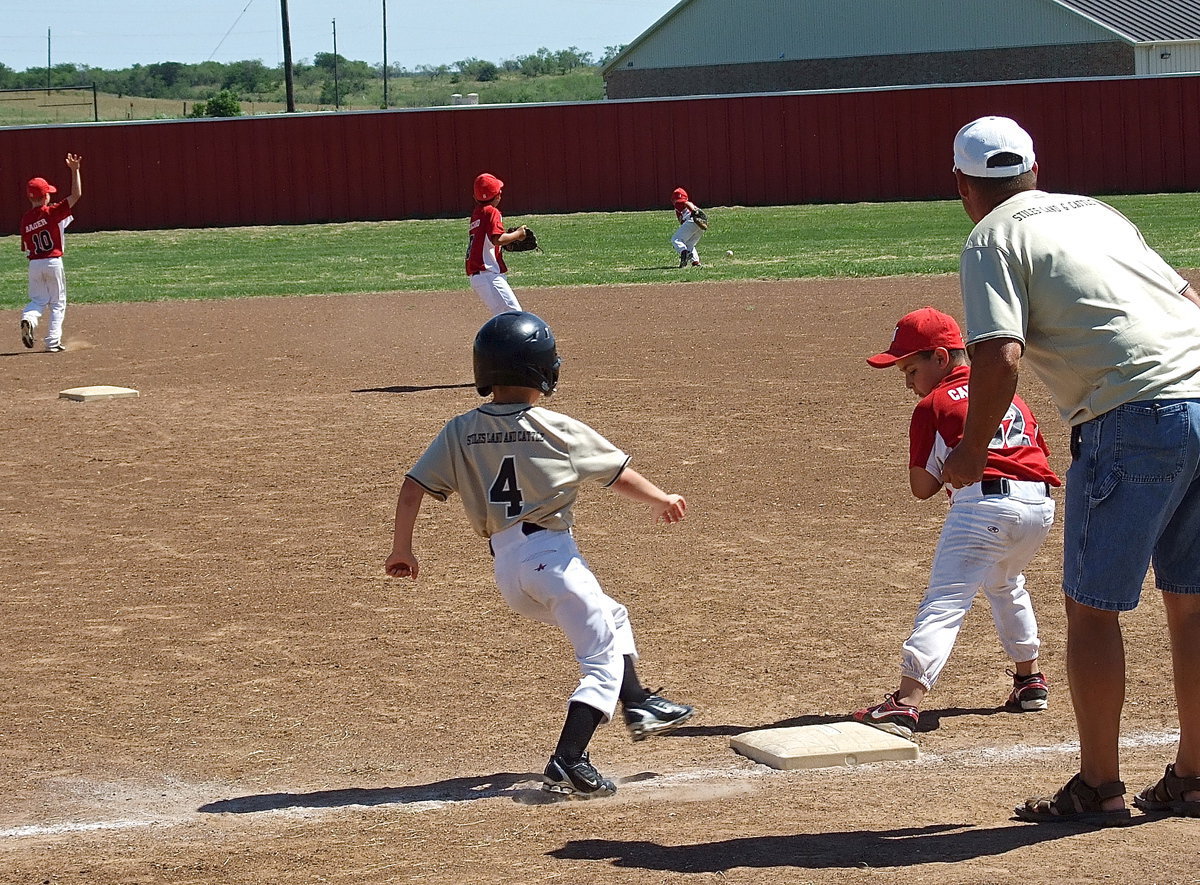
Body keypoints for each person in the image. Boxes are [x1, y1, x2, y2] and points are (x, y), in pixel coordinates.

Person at [942, 115, 1200, 825]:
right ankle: (1195, 774)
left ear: (962, 184)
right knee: (1193, 599)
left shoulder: (990, 236)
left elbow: (998, 355)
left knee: (1093, 609)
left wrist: (970, 450)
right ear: (1033, 168)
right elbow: (1187, 300)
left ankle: (1099, 784)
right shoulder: (1099, 212)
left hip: (1129, 415)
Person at [384, 310, 695, 799]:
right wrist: (660, 499)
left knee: (613, 616)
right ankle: (569, 758)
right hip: (552, 558)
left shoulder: (460, 430)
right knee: (599, 661)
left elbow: (411, 489)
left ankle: (638, 702)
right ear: (542, 370)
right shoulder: (556, 427)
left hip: (508, 569)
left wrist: (403, 548)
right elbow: (616, 474)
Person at [852, 307, 1059, 740]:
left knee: (946, 599)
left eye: (911, 369)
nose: (907, 381)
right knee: (1006, 583)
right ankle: (1029, 680)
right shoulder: (1010, 397)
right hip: (1038, 508)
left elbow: (921, 487)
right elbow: (1038, 452)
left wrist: (946, 467)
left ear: (942, 358)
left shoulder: (933, 404)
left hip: (984, 507)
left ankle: (906, 701)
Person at [20, 153, 82, 353]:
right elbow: (76, 195)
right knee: (57, 303)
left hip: (34, 264)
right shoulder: (52, 212)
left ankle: (29, 318)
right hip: (53, 261)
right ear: (46, 196)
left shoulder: (26, 220)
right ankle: (52, 341)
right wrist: (75, 170)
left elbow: (26, 247)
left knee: (37, 300)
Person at [466, 173, 529, 316]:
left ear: (475, 197)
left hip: (480, 275)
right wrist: (518, 235)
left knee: (503, 316)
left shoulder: (477, 213)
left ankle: (498, 339)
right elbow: (497, 239)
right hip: (488, 274)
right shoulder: (492, 212)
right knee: (514, 314)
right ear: (498, 195)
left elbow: (488, 241)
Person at [669, 187, 704, 268]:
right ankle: (695, 262)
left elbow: (687, 203)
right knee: (689, 244)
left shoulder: (679, 203)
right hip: (699, 224)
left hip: (693, 219)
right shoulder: (680, 209)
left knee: (676, 239)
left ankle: (685, 253)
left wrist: (694, 212)